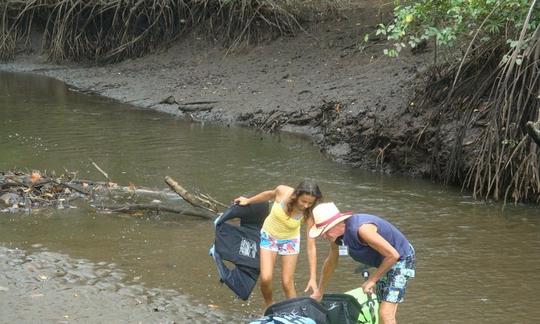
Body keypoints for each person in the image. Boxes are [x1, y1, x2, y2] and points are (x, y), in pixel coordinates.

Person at [309, 202, 415, 324]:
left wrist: (372, 280)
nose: (324, 235)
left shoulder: (362, 229)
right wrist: (320, 291)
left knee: (386, 313)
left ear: (338, 223)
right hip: (383, 262)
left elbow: (393, 255)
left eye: (325, 231)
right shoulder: (337, 238)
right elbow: (331, 262)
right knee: (381, 310)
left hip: (401, 259)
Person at [234, 180, 323, 308]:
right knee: (266, 278)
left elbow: (311, 246)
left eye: (310, 203)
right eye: (303, 201)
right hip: (269, 235)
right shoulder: (283, 191)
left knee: (287, 283)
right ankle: (269, 306)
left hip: (290, 240)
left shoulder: (309, 213)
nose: (306, 205)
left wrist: (313, 277)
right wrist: (248, 201)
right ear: (296, 195)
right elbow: (268, 195)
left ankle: (295, 313)